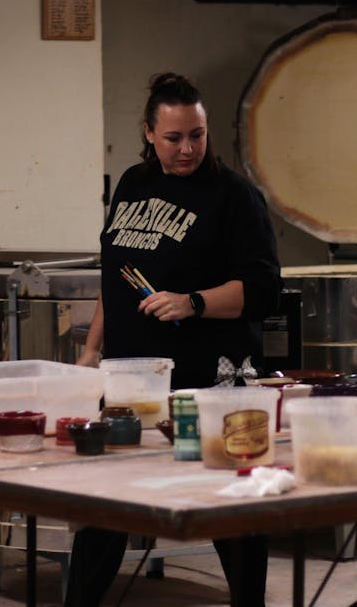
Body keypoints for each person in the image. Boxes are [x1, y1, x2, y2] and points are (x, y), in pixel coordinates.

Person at [68, 72, 283, 607]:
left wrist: (195, 301)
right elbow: (116, 275)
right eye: (173, 138)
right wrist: (94, 349)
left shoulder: (234, 196)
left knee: (227, 509)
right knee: (106, 505)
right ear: (148, 133)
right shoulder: (132, 185)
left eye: (197, 134)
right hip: (130, 378)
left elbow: (263, 290)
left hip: (208, 378)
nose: (187, 148)